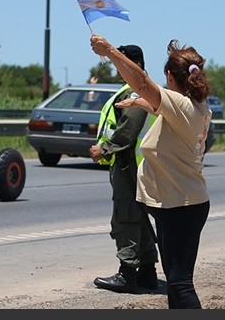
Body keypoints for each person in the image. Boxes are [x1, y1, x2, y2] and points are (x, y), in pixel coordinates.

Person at [90, 34, 212, 309]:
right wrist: (138, 103)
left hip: (181, 206)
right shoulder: (195, 108)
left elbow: (142, 83)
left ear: (169, 77)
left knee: (180, 285)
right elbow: (160, 109)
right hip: (182, 203)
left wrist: (109, 51)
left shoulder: (180, 106)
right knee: (176, 282)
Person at [89, 44, 159, 294]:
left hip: (129, 164)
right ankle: (148, 273)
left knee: (125, 218)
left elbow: (127, 132)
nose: (118, 68)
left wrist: (103, 150)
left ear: (136, 64)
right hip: (139, 165)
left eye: (121, 62)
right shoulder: (143, 89)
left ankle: (127, 274)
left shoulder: (136, 91)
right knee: (139, 218)